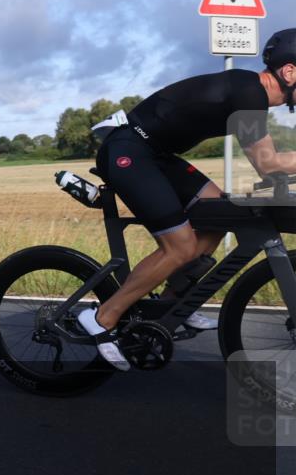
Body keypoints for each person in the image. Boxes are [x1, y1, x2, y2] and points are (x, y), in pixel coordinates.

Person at [79, 28, 296, 370]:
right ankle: (103, 317)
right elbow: (268, 163)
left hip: (158, 155)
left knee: (220, 217)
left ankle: (171, 306)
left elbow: (272, 168)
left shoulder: (251, 94)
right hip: (129, 150)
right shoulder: (248, 93)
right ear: (289, 72)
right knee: (179, 245)